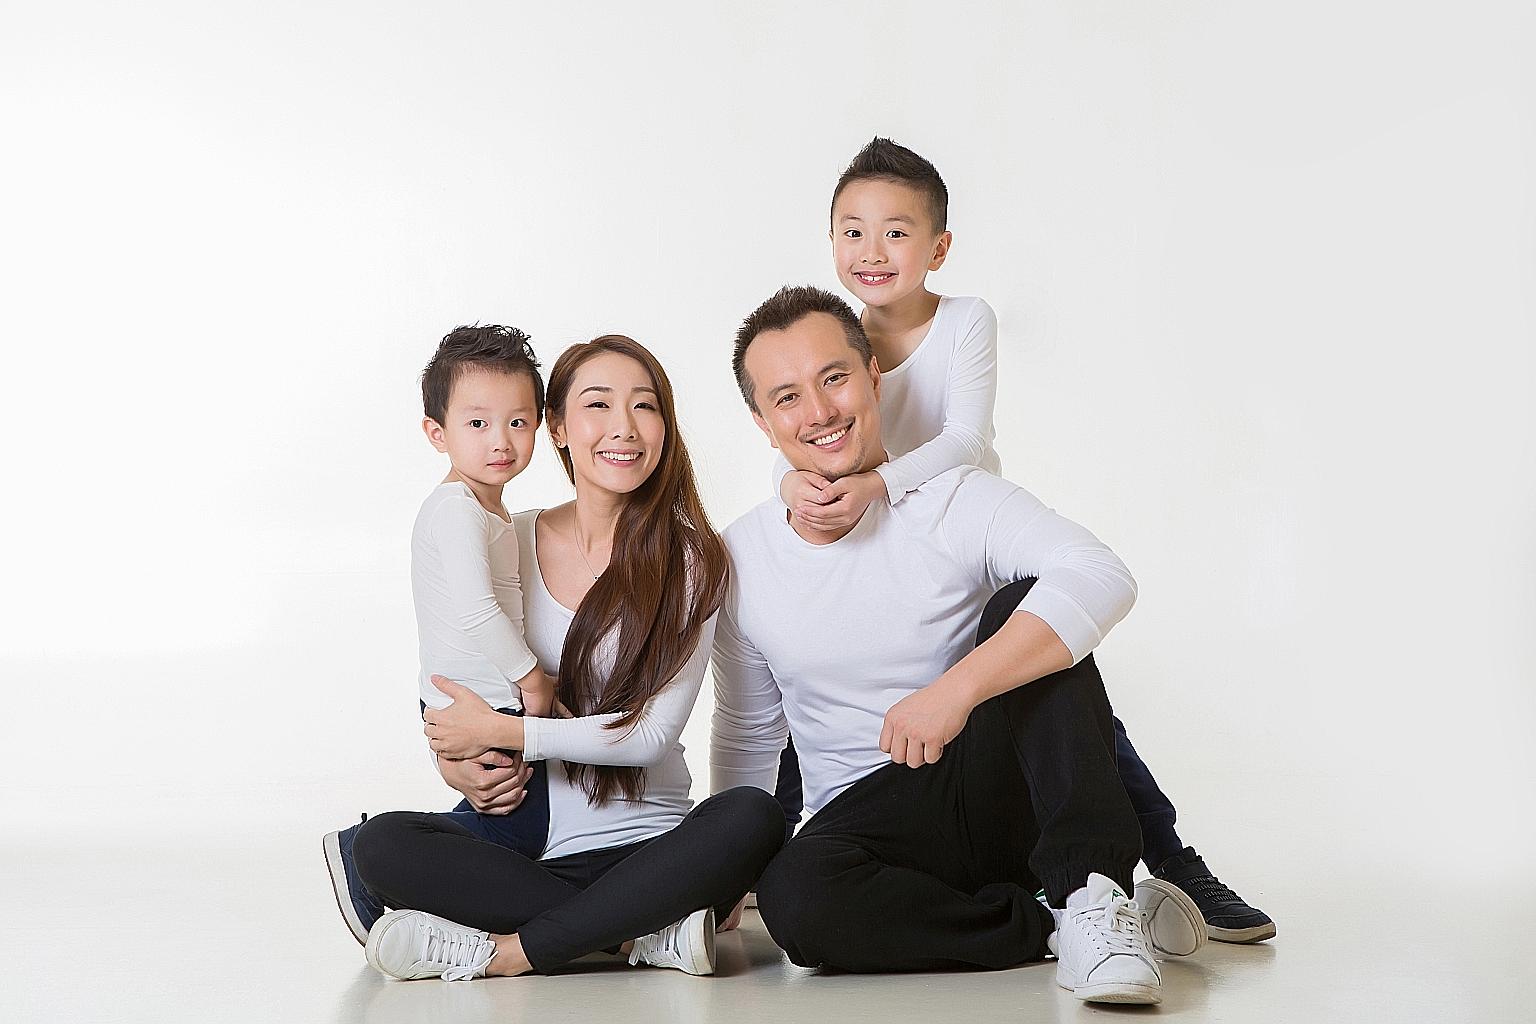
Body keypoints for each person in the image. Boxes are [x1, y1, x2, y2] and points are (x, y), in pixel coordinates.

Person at [768, 138, 1272, 944]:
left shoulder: (964, 321)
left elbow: (965, 441)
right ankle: (788, 845)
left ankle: (1168, 859)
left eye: (896, 233)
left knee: (1057, 676)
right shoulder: (837, 340)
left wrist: (879, 485)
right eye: (852, 230)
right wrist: (790, 488)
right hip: (877, 556)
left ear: (939, 247)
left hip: (964, 548)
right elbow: (804, 434)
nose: (872, 251)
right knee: (808, 660)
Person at [713, 285, 1207, 1004]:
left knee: (1027, 606)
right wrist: (729, 871)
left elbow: (1103, 574)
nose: (819, 412)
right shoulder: (742, 558)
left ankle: (1093, 893)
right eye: (787, 397)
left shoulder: (958, 499)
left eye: (834, 378)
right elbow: (749, 735)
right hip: (866, 830)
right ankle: (1046, 925)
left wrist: (955, 691)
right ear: (761, 421)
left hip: (988, 787)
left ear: (873, 374)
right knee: (794, 899)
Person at [347, 335, 785, 982]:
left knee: (752, 816)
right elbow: (461, 669)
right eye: (598, 405)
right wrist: (458, 758)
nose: (624, 429)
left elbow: (651, 735)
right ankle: (640, 932)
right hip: (535, 854)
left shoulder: (691, 560)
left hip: (654, 850)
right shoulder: (507, 537)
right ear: (556, 428)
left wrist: (509, 731)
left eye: (645, 406)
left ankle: (508, 952)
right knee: (380, 846)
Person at [324, 324, 557, 946]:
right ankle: (371, 874)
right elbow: (478, 611)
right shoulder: (456, 508)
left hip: (476, 693)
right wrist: (534, 681)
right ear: (437, 433)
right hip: (479, 697)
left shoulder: (494, 510)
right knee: (515, 825)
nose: (501, 441)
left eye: (518, 422)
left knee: (510, 816)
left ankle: (396, 870)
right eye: (477, 423)